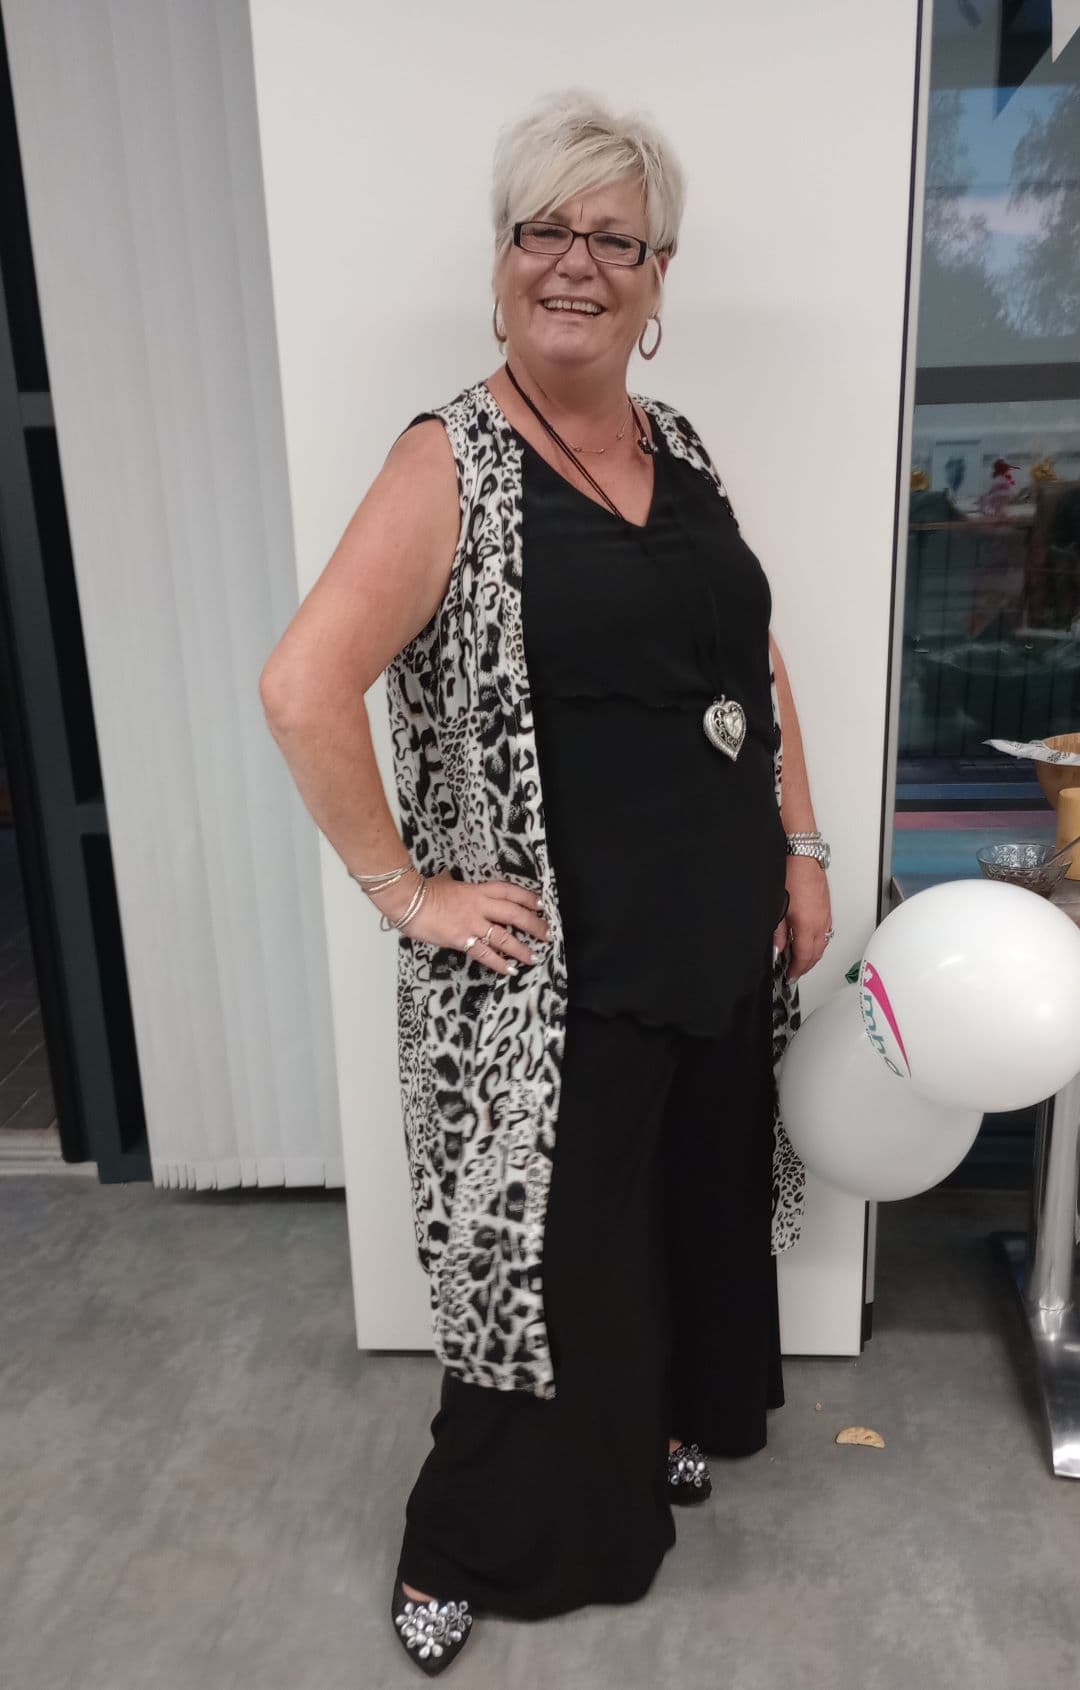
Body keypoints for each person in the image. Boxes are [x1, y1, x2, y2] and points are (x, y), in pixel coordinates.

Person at [259, 88, 833, 1676]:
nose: (577, 261)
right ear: (502, 258)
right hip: (555, 978)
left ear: (658, 278)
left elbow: (753, 654)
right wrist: (408, 891)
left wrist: (798, 843)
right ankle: (468, 1541)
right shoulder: (450, 458)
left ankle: (665, 1427)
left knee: (687, 1215)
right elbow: (303, 686)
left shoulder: (679, 443)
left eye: (615, 238)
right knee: (547, 1269)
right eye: (545, 230)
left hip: (716, 935)